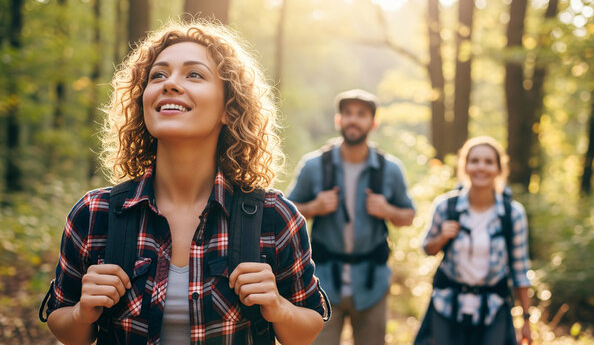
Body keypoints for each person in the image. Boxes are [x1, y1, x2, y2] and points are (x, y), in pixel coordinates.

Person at [39, 20, 328, 345]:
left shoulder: (275, 216)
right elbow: (63, 325)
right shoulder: (95, 212)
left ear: (229, 109)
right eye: (158, 75)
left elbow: (308, 326)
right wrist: (82, 312)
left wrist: (277, 307)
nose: (170, 84)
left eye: (194, 74)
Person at [287, 89, 415, 345]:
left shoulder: (390, 169)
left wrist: (387, 210)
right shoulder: (314, 166)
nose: (353, 120)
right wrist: (314, 206)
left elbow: (408, 216)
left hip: (372, 284)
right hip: (322, 283)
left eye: (361, 115)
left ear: (373, 123)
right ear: (339, 120)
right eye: (347, 114)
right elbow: (287, 212)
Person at [414, 136, 532, 345]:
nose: (481, 167)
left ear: (498, 169)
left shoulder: (512, 214)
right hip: (446, 306)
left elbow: (520, 269)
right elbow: (428, 248)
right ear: (465, 166)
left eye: (488, 162)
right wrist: (442, 237)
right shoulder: (446, 207)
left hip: (493, 310)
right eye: (475, 161)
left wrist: (526, 319)